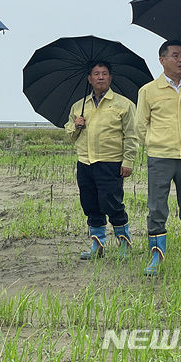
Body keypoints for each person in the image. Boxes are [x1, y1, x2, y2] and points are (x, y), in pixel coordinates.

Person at [136, 40, 181, 276]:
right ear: (162, 60)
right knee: (157, 207)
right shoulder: (148, 90)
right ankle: (156, 256)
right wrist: (153, 144)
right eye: (176, 56)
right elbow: (140, 124)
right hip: (160, 157)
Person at [64, 61, 138, 261]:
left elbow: (132, 135)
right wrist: (76, 126)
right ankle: (98, 245)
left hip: (111, 162)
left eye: (104, 73)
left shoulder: (124, 104)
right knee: (90, 204)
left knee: (112, 203)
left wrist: (128, 161)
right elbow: (70, 136)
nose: (100, 77)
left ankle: (125, 243)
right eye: (96, 74)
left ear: (110, 77)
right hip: (85, 162)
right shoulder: (79, 106)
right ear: (89, 79)